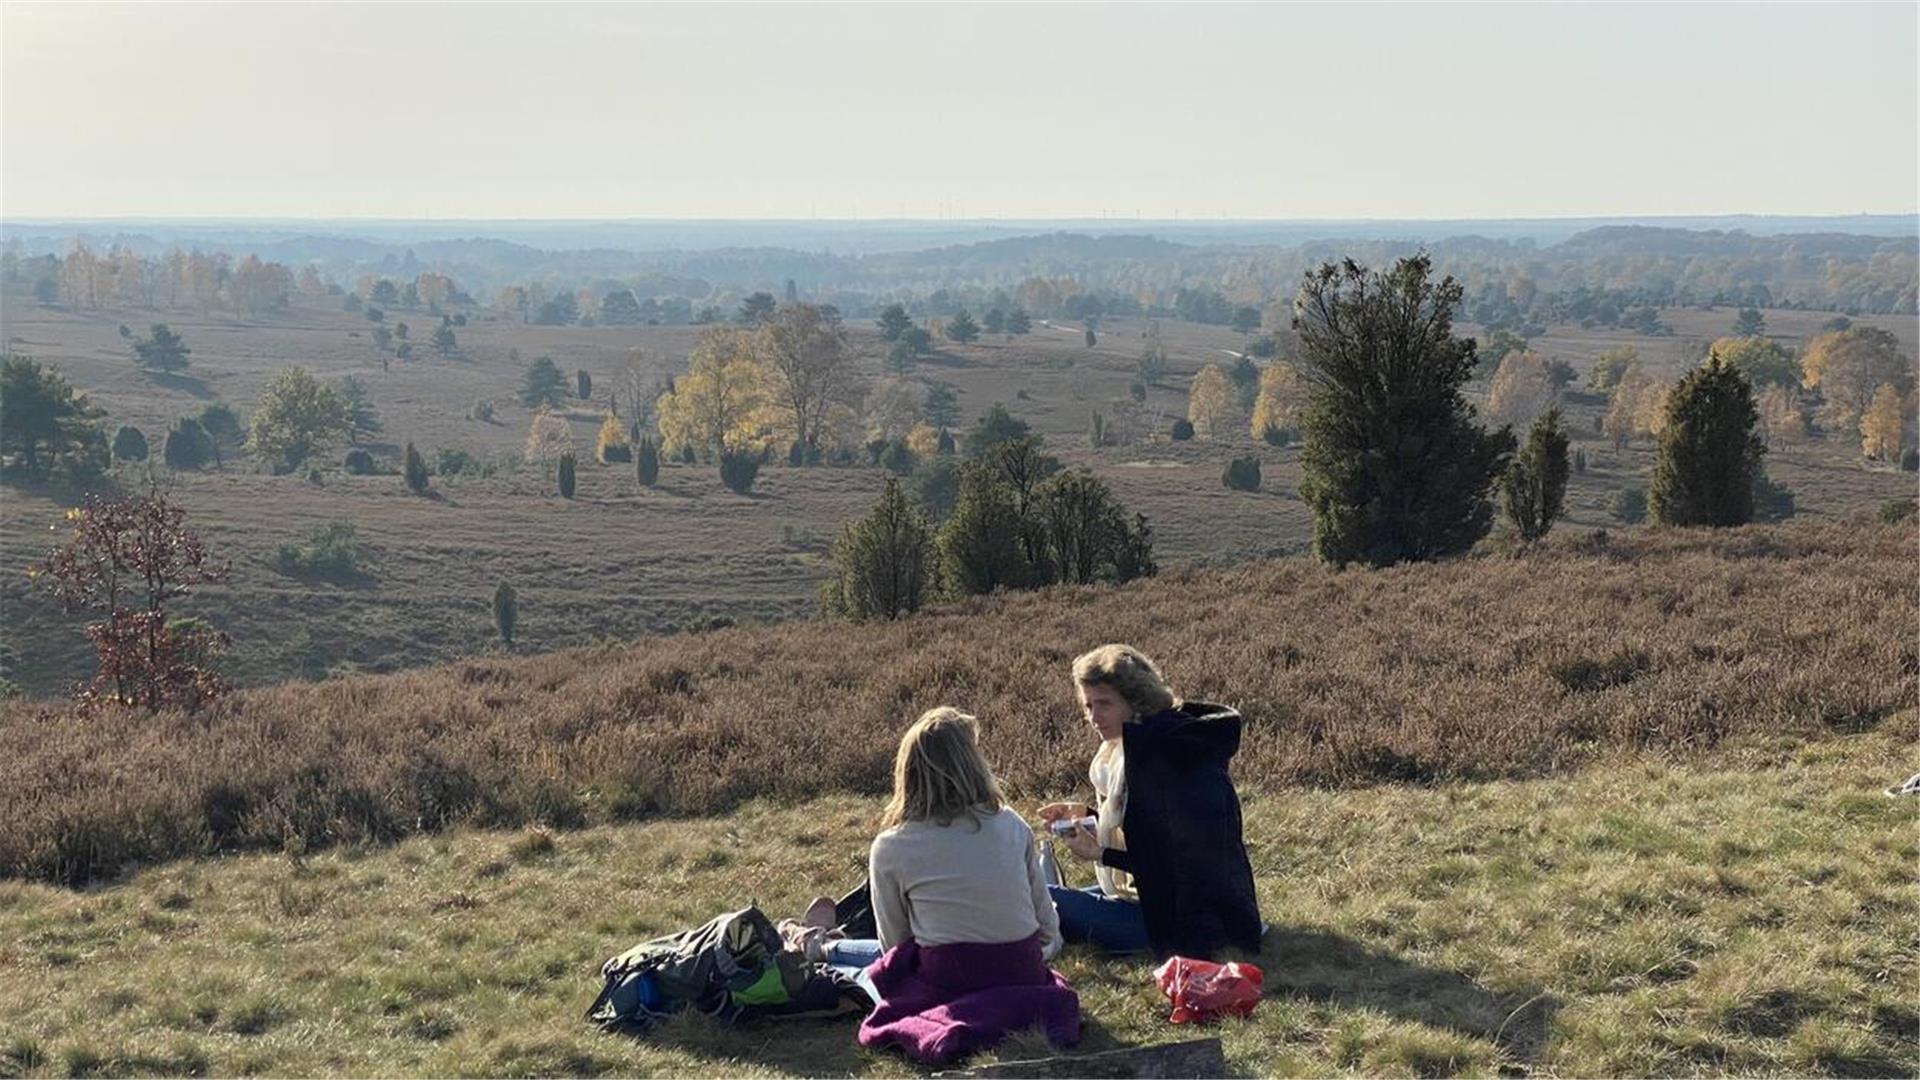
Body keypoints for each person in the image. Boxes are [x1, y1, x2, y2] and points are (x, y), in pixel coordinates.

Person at [829, 707, 1077, 1064]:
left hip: (950, 979)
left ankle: (819, 947)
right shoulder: (1011, 824)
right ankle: (822, 945)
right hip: (1022, 969)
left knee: (871, 971)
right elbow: (1046, 926)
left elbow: (896, 949)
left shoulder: (891, 846)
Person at [1039, 644, 1262, 959]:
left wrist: (1100, 853)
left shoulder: (1167, 761)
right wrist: (1088, 815)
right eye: (1087, 705)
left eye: (1104, 704)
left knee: (1038, 898)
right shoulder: (1131, 748)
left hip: (1178, 919)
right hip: (1147, 901)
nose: (1093, 717)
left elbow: (1181, 865)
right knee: (1039, 896)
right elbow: (1144, 828)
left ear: (1136, 702)